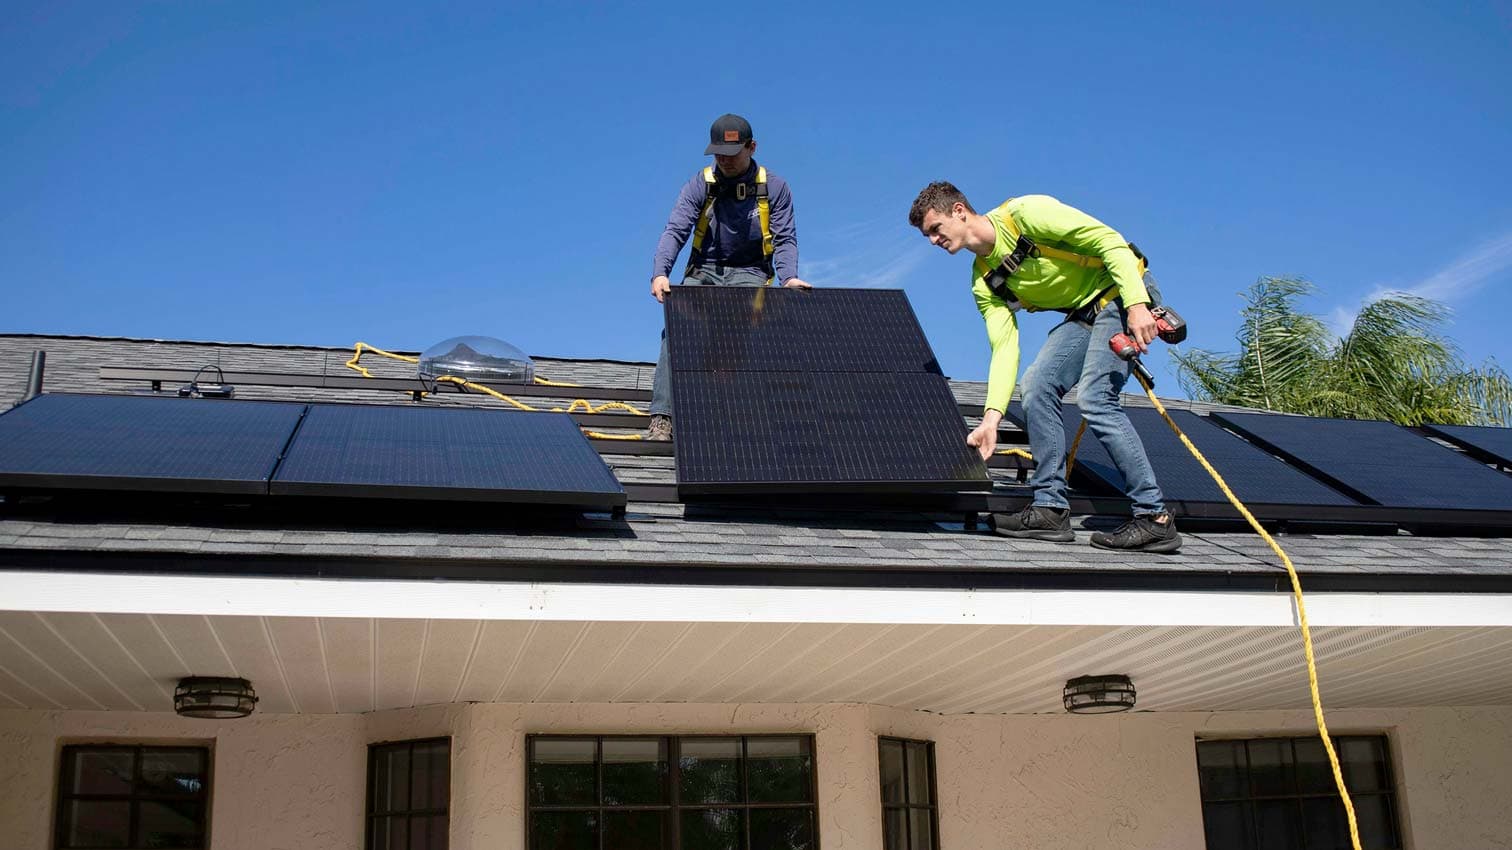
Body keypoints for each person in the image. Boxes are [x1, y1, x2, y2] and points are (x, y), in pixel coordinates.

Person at [907, 181, 1181, 553]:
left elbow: (1110, 242)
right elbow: (1004, 347)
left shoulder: (1025, 215)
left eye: (935, 229)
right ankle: (1050, 508)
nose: (933, 241)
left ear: (959, 211)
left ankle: (1154, 517)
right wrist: (991, 419)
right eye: (927, 236)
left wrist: (1136, 305)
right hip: (1084, 316)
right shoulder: (984, 281)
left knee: (1096, 399)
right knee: (1036, 386)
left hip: (1120, 292)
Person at [646, 114, 811, 440]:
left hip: (750, 272)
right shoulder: (700, 184)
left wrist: (789, 277)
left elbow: (785, 238)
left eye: (731, 154)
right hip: (705, 270)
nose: (724, 160)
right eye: (718, 153)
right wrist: (660, 273)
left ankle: (745, 414)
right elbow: (676, 229)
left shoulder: (773, 187)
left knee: (744, 323)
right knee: (676, 330)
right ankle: (662, 417)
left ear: (752, 147)